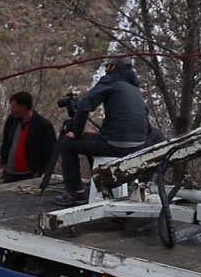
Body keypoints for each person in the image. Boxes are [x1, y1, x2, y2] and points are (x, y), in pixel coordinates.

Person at [53, 56, 150, 207]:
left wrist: (77, 133)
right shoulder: (134, 89)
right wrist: (102, 134)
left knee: (67, 143)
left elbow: (85, 106)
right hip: (138, 146)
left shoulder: (110, 80)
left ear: (113, 67)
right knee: (93, 141)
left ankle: (75, 193)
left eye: (107, 67)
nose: (105, 70)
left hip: (115, 146)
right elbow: (134, 120)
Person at [0, 90, 56, 183]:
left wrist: (40, 173)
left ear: (23, 107)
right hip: (9, 174)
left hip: (30, 175)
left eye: (14, 107)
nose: (11, 109)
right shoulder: (12, 120)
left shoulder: (43, 125)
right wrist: (3, 162)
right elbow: (5, 142)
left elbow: (51, 153)